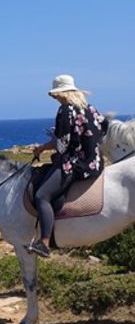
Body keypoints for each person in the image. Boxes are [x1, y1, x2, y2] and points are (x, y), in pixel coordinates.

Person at [26, 74, 106, 258]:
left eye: (55, 94)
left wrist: (42, 148)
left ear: (63, 93)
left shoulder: (65, 110)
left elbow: (62, 144)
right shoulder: (90, 108)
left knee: (42, 196)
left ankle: (44, 243)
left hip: (75, 164)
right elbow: (103, 128)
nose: (54, 98)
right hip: (96, 162)